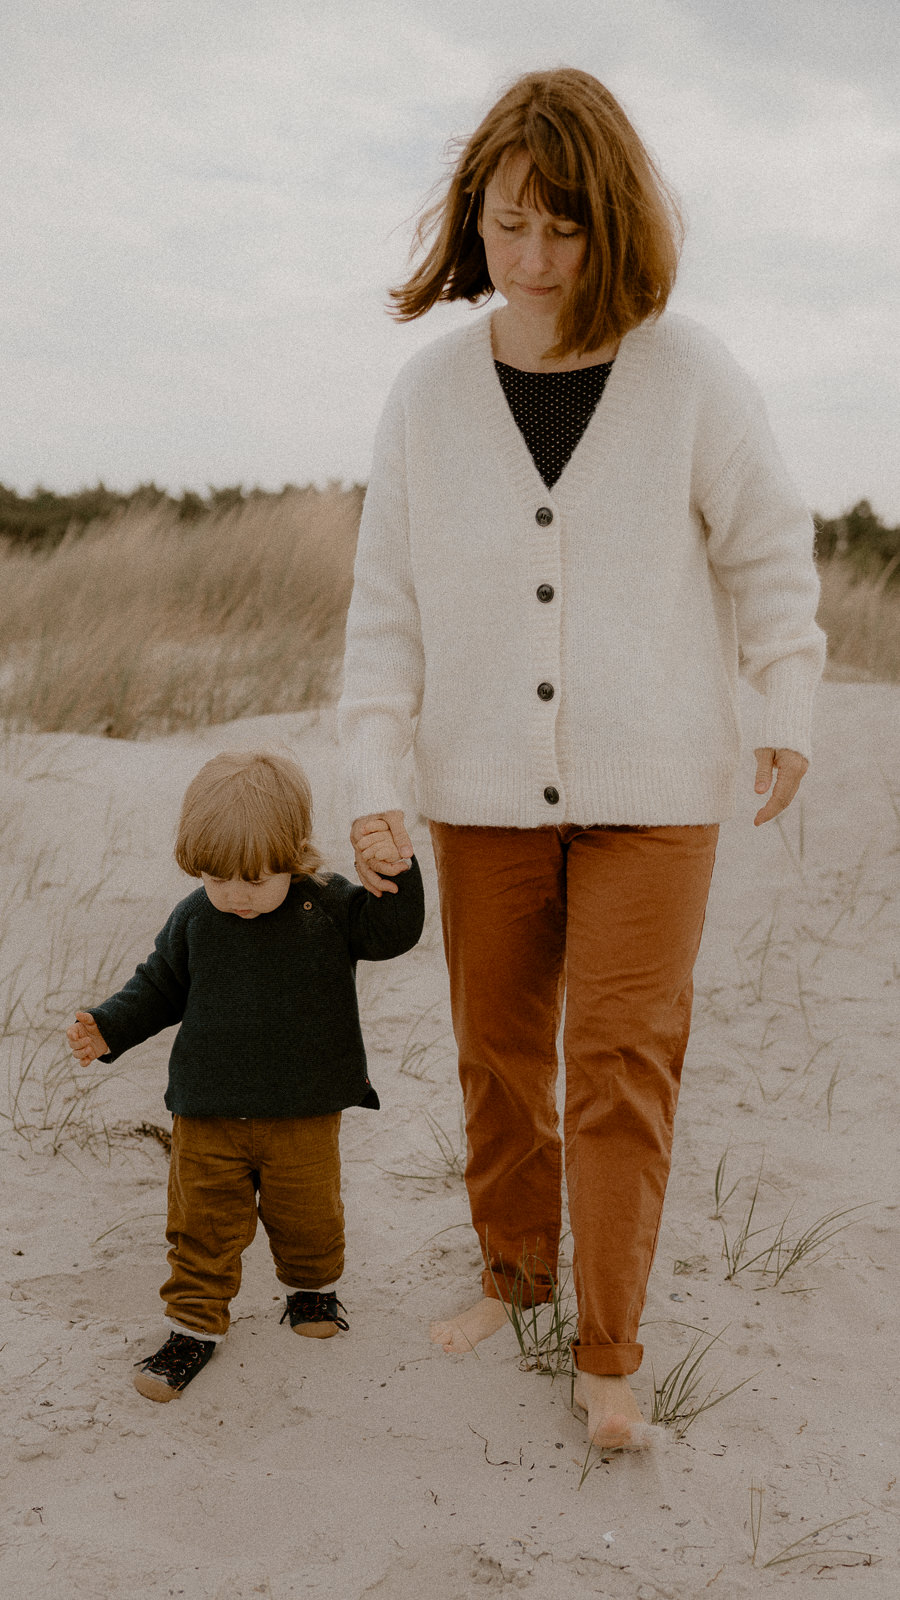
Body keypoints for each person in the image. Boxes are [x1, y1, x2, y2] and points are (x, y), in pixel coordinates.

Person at [337, 67, 825, 1453]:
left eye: (564, 227)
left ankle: (608, 1346)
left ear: (611, 225)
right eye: (508, 227)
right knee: (496, 1056)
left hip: (656, 791)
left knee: (618, 1061)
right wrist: (375, 778)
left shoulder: (688, 371)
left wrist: (787, 695)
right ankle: (514, 1272)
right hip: (477, 789)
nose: (536, 260)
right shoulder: (429, 395)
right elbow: (387, 611)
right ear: (472, 225)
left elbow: (769, 546)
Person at [66, 750, 424, 1402]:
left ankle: (312, 1293)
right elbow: (157, 989)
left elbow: (393, 931)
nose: (236, 894)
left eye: (256, 878)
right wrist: (109, 1027)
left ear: (294, 852)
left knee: (310, 1215)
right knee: (200, 1224)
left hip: (305, 1110)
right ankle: (192, 1326)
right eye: (216, 876)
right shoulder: (196, 919)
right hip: (208, 1112)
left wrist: (398, 868)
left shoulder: (329, 907)